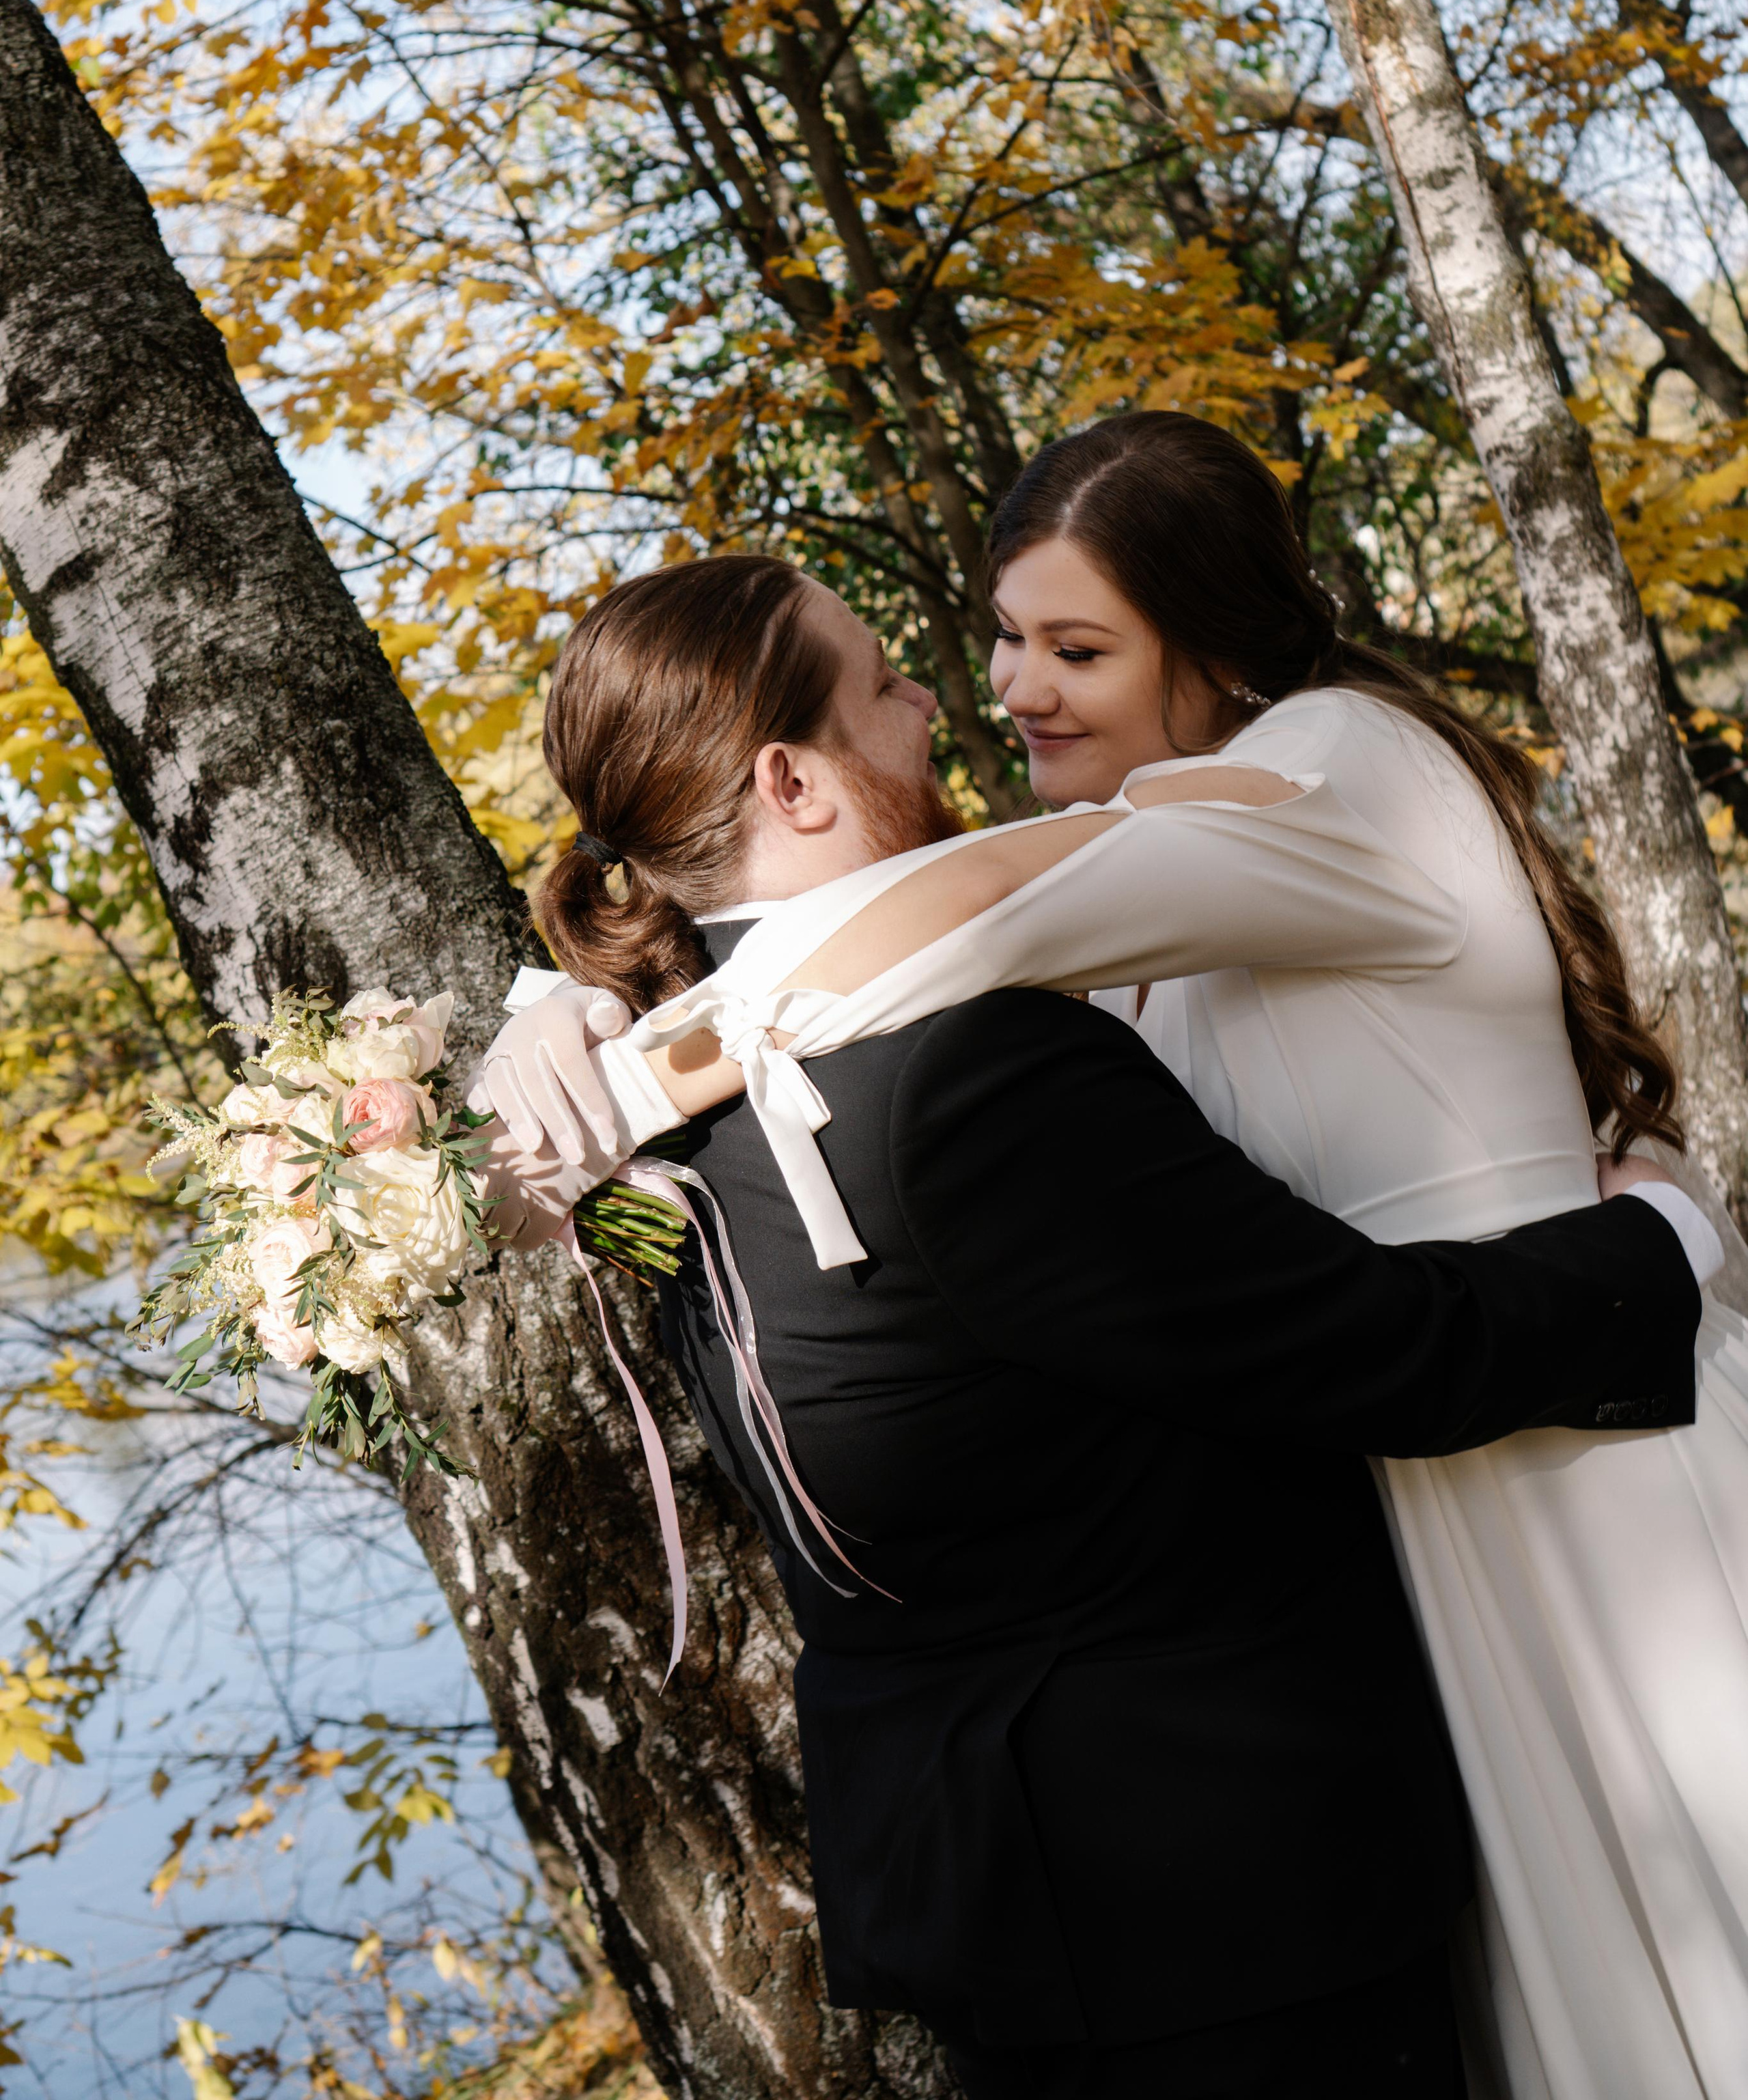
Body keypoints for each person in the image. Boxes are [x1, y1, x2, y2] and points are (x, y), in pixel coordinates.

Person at [473, 546, 1719, 2100]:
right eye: (884, 680)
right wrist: (1656, 1241)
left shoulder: (655, 1105)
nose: (936, 698)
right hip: (1215, 1889)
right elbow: (1370, 1350)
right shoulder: (960, 1076)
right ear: (792, 780)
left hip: (988, 1886)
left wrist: (551, 1006)